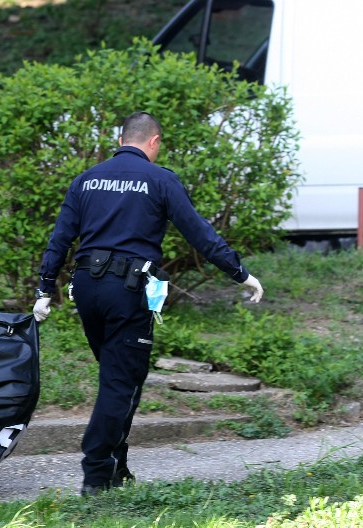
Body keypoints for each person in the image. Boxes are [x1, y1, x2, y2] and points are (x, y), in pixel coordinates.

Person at [32, 111, 264, 497]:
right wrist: (240, 273)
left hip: (86, 287)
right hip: (127, 289)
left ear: (121, 139)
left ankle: (116, 468)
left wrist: (43, 289)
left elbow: (60, 239)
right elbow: (200, 234)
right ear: (154, 141)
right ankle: (96, 476)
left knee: (120, 377)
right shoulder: (160, 179)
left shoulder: (86, 179)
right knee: (121, 382)